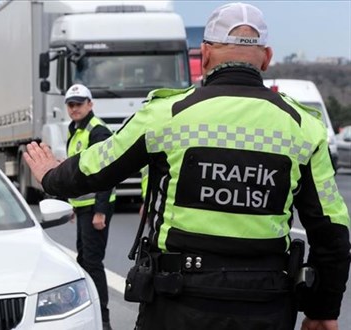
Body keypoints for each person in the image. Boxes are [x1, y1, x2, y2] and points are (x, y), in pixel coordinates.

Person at [23, 3, 350, 330]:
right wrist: (323, 309)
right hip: (266, 304)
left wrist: (51, 176)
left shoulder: (168, 114)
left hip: (178, 301)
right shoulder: (304, 127)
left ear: (205, 55)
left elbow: (97, 167)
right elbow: (332, 230)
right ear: (267, 57)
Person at [62, 83, 116, 330]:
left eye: (79, 104)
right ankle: (92, 314)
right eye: (71, 105)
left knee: (93, 264)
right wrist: (71, 204)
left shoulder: (98, 131)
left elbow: (106, 174)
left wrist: (100, 211)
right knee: (84, 261)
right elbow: (76, 171)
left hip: (96, 207)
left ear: (90, 104)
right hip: (83, 206)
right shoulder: (75, 130)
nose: (74, 109)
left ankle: (102, 320)